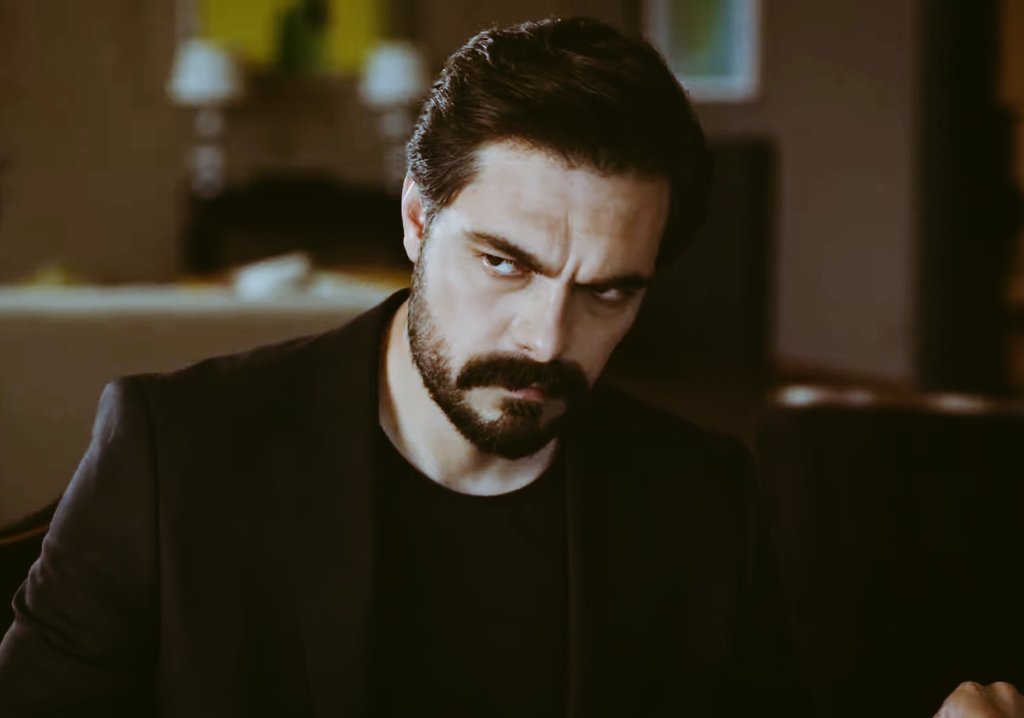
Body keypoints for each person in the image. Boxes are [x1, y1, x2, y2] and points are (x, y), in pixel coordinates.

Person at [0, 16, 1018, 718]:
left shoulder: (701, 497)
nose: (545, 338)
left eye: (608, 291)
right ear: (416, 218)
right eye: (505, 263)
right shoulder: (175, 453)